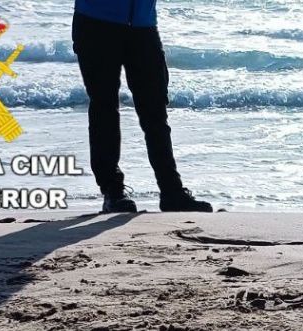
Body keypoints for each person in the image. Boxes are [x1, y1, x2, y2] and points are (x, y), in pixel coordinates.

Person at [72, 0, 212, 214]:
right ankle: (112, 192)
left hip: (142, 24)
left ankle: (171, 192)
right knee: (104, 107)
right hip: (96, 21)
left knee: (155, 110)